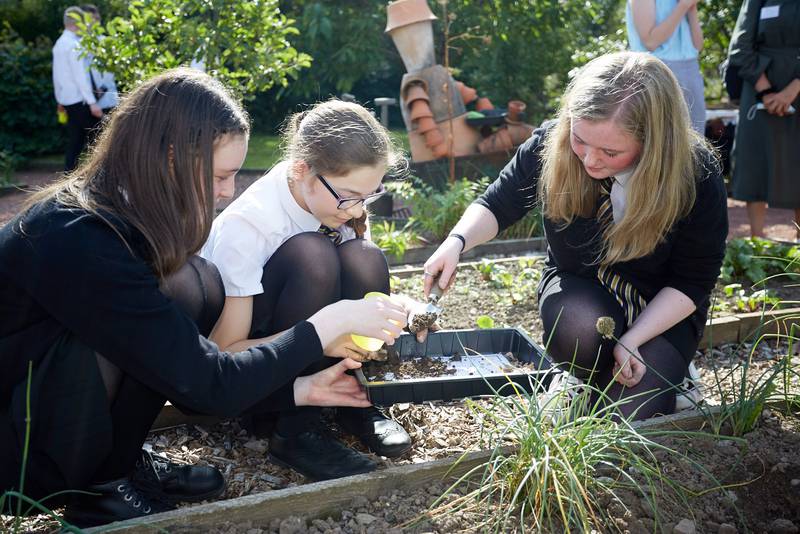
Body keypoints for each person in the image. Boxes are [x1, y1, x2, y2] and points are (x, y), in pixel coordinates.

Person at [0, 68, 408, 527]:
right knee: (181, 289)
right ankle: (93, 488)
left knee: (195, 282)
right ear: (171, 157)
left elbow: (180, 363)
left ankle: (116, 464)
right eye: (220, 176)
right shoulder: (78, 237)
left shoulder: (115, 213)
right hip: (16, 449)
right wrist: (327, 325)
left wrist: (303, 387)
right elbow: (207, 383)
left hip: (41, 399)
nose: (227, 192)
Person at [423, 52, 728, 421]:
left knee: (625, 419)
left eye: (610, 151)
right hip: (581, 288)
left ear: (655, 144)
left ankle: (672, 376)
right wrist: (455, 242)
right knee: (579, 328)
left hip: (662, 308)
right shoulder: (552, 143)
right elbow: (499, 203)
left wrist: (632, 341)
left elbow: (693, 281)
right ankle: (580, 376)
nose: (590, 160)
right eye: (581, 140)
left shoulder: (694, 173)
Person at [201, 100, 417, 482]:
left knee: (364, 256)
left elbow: (352, 281)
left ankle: (356, 399)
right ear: (303, 170)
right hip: (257, 378)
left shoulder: (335, 199)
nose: (356, 211)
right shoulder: (250, 227)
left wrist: (399, 314)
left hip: (314, 347)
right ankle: (294, 428)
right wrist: (319, 339)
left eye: (368, 196)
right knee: (312, 254)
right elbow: (224, 352)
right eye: (349, 197)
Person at [728, 0, 800, 239]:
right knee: (754, 160)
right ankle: (756, 242)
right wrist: (766, 92)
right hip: (758, 84)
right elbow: (741, 44)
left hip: (797, 85)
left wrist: (793, 90)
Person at [626, 0, 706, 134]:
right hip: (657, 71)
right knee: (662, 138)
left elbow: (698, 46)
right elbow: (651, 41)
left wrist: (691, 8)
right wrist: (684, 5)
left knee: (696, 142)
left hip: (691, 71)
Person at [52, 5, 103, 172]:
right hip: (80, 101)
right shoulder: (74, 44)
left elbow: (56, 76)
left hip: (67, 102)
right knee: (100, 138)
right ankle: (97, 176)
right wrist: (92, 103)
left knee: (75, 142)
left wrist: (59, 100)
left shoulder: (59, 44)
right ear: (77, 23)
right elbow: (80, 76)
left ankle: (68, 178)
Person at [80, 4, 119, 114]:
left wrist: (101, 92)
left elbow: (111, 70)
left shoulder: (106, 42)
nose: (95, 22)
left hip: (108, 101)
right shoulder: (78, 44)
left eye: (96, 18)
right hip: (86, 103)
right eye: (90, 19)